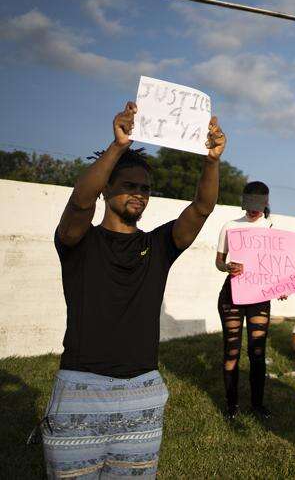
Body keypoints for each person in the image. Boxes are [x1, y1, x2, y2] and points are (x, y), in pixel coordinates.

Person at [40, 101, 225, 478]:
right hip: (80, 389)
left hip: (143, 391)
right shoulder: (78, 241)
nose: (139, 193)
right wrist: (118, 147)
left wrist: (211, 161)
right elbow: (79, 201)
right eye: (129, 185)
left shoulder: (159, 246)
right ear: (106, 188)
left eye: (145, 188)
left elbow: (202, 208)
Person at [215, 181, 275, 420]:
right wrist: (226, 267)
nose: (253, 211)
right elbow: (219, 261)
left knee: (257, 351)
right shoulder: (230, 226)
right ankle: (232, 406)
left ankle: (257, 405)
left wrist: (281, 286)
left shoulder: (271, 228)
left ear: (266, 204)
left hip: (259, 297)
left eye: (257, 206)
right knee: (231, 350)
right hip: (232, 295)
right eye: (249, 205)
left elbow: (277, 265)